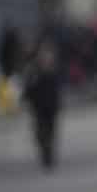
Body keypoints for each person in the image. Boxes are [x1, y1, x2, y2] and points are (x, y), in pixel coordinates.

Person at [21, 39, 65, 170]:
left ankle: (49, 155)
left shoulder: (54, 71)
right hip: (38, 108)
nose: (46, 58)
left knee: (50, 132)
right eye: (44, 56)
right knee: (40, 132)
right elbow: (28, 88)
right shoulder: (33, 71)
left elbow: (58, 89)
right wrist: (27, 99)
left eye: (48, 56)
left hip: (51, 108)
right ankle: (44, 151)